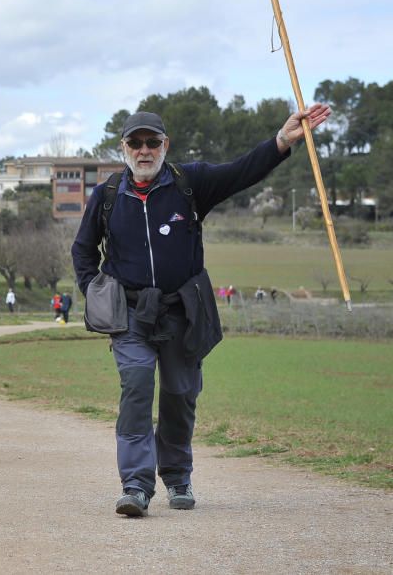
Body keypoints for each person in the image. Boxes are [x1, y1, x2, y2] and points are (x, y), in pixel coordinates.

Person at [71, 103, 331, 517]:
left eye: (151, 142)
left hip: (182, 314)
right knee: (137, 386)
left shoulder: (190, 183)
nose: (143, 150)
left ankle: (177, 477)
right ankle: (135, 485)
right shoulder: (106, 196)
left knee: (180, 394)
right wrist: (96, 291)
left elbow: (242, 170)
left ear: (165, 145)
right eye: (135, 142)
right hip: (132, 316)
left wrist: (282, 141)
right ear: (123, 147)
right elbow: (83, 251)